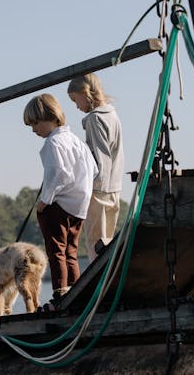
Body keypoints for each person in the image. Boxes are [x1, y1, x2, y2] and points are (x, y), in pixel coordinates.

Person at [23, 93, 98, 304]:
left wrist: (44, 201)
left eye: (35, 123)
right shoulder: (76, 141)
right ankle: (77, 292)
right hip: (79, 206)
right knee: (71, 252)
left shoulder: (52, 143)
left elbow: (58, 174)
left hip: (59, 205)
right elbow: (93, 170)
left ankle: (60, 293)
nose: (33, 129)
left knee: (56, 251)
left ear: (50, 117)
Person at [68, 73, 124, 259]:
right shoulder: (112, 114)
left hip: (99, 191)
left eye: (76, 101)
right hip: (114, 188)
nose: (77, 107)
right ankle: (108, 280)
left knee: (94, 243)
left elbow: (101, 158)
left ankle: (97, 283)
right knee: (106, 242)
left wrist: (91, 187)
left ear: (85, 93)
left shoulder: (95, 119)